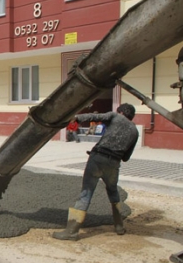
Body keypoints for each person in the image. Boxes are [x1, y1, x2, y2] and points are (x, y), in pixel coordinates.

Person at [53, 103, 139, 241]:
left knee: (86, 194)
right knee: (113, 192)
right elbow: (126, 157)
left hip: (98, 159)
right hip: (114, 164)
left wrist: (76, 118)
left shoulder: (115, 116)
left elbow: (95, 116)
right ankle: (119, 226)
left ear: (121, 112)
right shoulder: (135, 131)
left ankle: (71, 231)